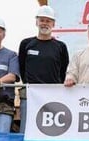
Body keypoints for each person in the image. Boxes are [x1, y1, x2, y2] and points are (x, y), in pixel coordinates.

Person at [18, 5, 69, 134]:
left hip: (52, 95)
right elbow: (21, 67)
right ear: (36, 22)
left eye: (48, 21)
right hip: (30, 95)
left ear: (53, 24)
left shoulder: (60, 47)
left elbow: (63, 70)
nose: (44, 23)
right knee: (26, 130)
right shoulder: (26, 44)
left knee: (49, 131)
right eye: (42, 20)